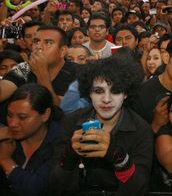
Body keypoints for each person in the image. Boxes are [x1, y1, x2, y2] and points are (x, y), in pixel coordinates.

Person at [49, 54, 153, 195]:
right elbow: (55, 186)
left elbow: (139, 188)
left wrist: (118, 157)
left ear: (126, 94)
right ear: (89, 93)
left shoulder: (141, 129)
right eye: (98, 91)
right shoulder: (72, 122)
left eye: (115, 91)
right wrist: (69, 157)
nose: (106, 99)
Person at [0, 84, 62, 196]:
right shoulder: (4, 138)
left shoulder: (61, 141)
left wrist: (5, 160)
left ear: (45, 115)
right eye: (9, 115)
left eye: (22, 117)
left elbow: (37, 189)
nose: (13, 123)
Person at [0, 25, 76, 106]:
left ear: (62, 51)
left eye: (48, 42)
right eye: (36, 41)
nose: (39, 47)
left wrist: (42, 74)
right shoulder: (24, 68)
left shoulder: (78, 72)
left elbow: (60, 109)